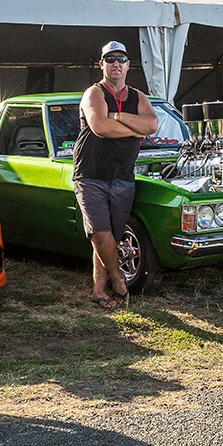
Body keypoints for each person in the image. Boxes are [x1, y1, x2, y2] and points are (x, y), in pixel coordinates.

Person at [73, 41, 158, 308]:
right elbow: (100, 127)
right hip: (91, 174)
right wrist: (136, 129)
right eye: (110, 59)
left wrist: (118, 117)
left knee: (110, 236)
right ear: (102, 65)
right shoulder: (94, 93)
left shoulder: (137, 97)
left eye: (121, 59)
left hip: (123, 176)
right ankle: (119, 282)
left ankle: (98, 290)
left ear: (128, 65)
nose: (116, 64)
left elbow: (153, 124)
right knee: (100, 233)